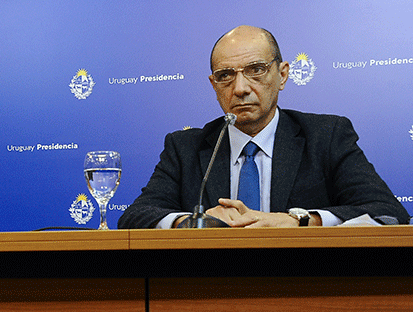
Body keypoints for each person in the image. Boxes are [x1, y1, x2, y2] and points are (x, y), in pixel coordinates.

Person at [118, 25, 408, 229]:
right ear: (214, 85)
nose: (241, 88)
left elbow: (388, 212)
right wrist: (194, 222)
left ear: (282, 75)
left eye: (256, 70)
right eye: (226, 75)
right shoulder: (185, 148)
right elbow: (135, 216)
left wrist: (299, 220)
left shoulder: (326, 136)